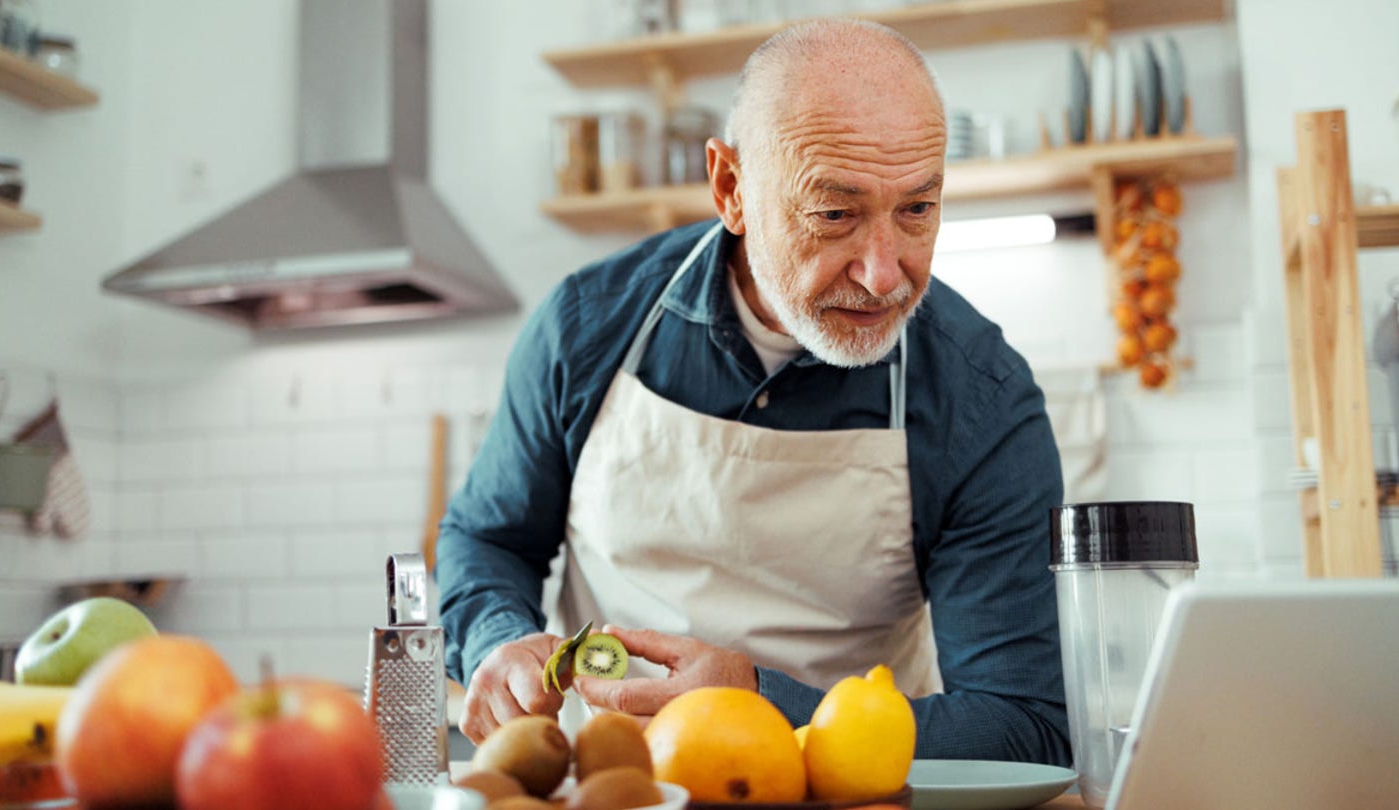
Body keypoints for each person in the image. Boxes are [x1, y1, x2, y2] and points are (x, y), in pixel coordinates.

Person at [438, 18, 1069, 765]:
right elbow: (488, 539)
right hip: (609, 784)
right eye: (835, 214)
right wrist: (501, 643)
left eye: (917, 210)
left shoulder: (980, 400)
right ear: (731, 188)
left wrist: (758, 700)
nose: (884, 273)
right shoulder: (585, 327)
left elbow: (1020, 726)